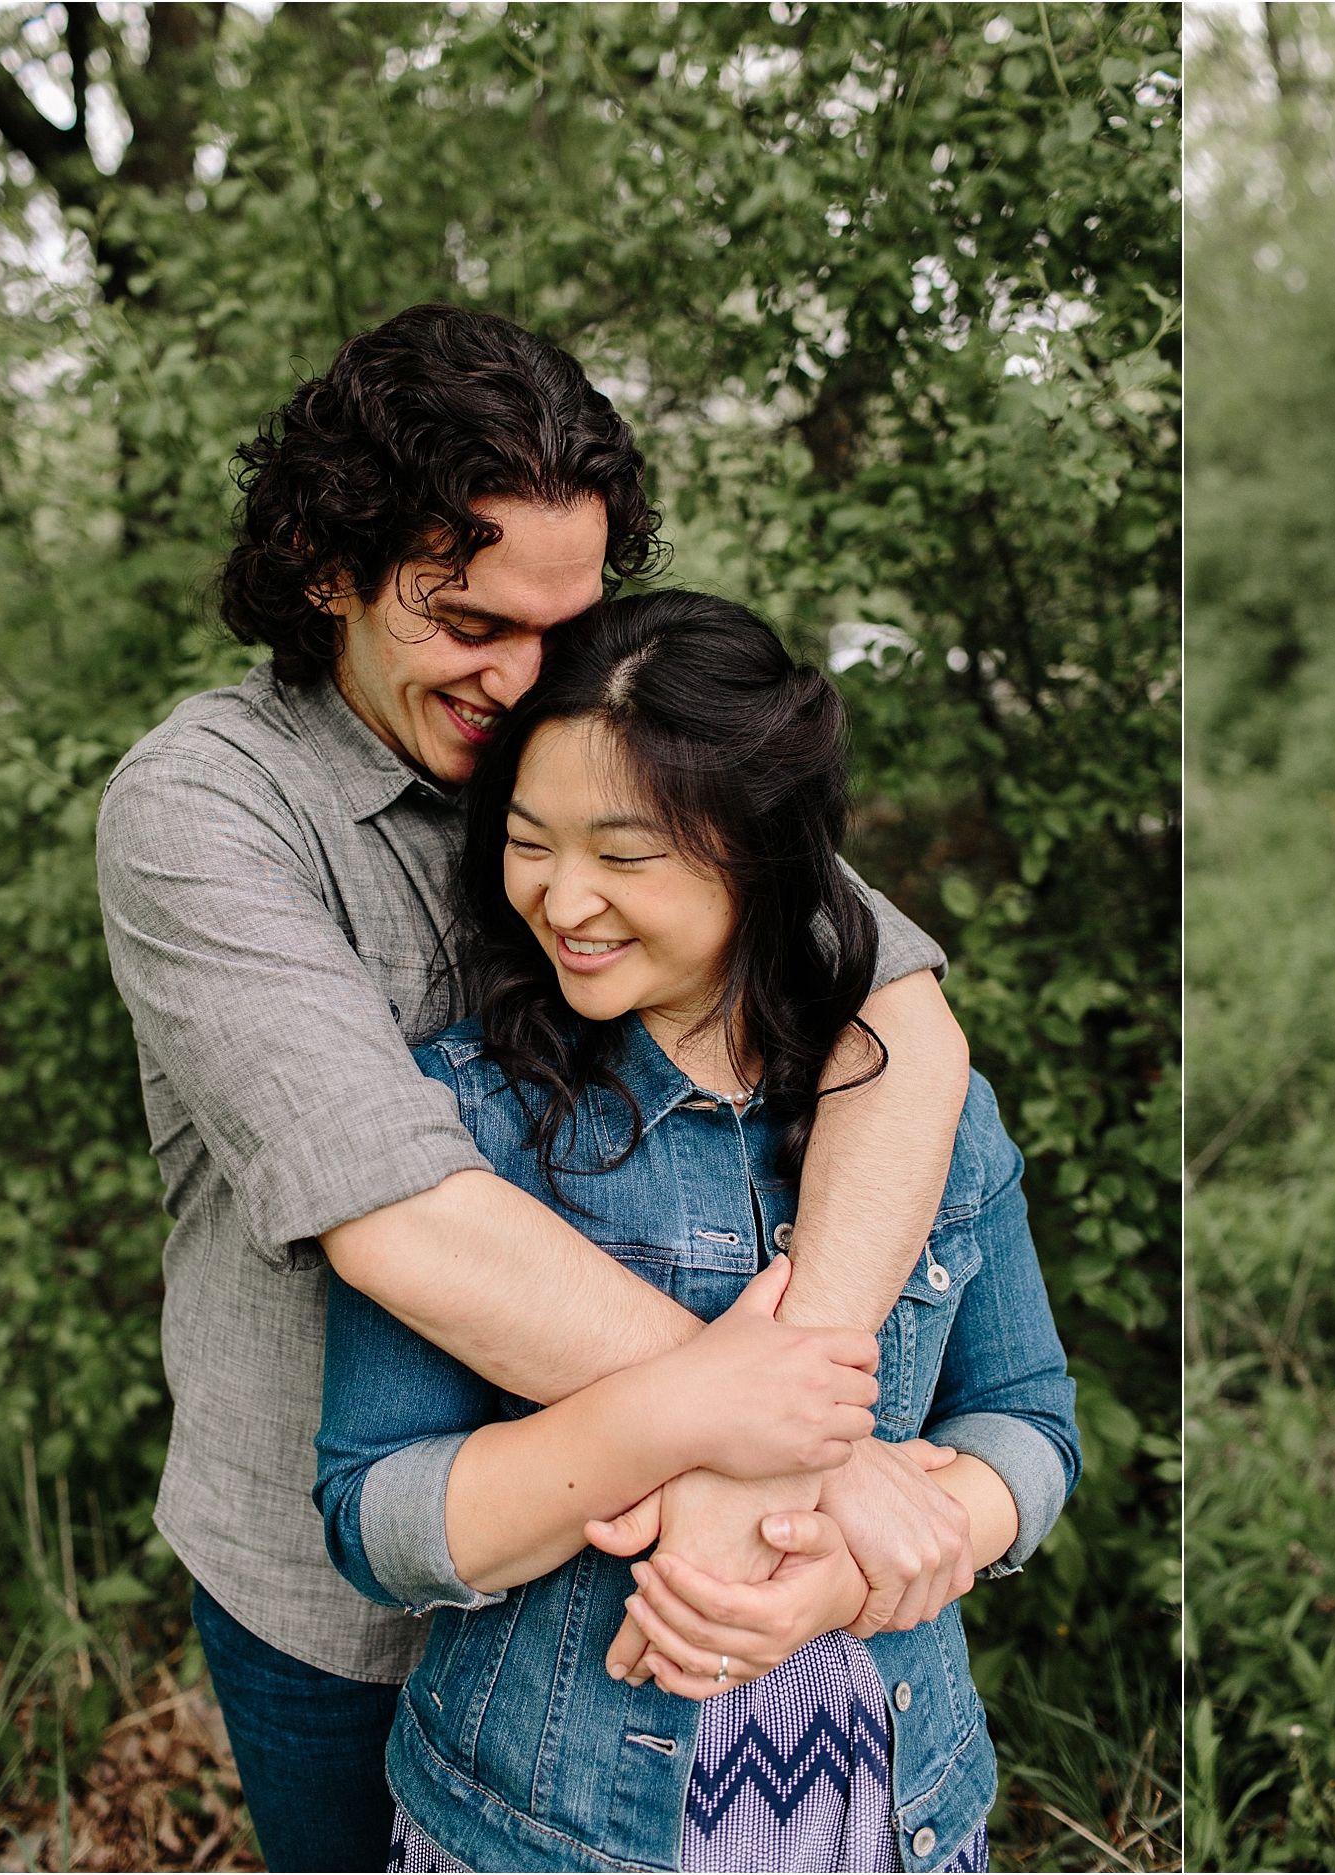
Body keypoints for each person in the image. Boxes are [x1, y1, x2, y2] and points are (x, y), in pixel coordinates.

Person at [96, 306, 980, 1871]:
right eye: (468, 620)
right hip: (350, 1591)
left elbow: (897, 1021)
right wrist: (793, 1441)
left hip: (652, 1587)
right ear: (325, 567)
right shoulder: (204, 806)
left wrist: (764, 1439)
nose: (520, 676)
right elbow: (404, 1219)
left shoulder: (597, 721)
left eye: (560, 621)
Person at [314, 592, 1079, 1872]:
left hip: (892, 1804)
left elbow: (1029, 1419)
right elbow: (379, 1518)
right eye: (527, 844)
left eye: (625, 856)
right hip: (541, 1827)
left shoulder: (930, 1106)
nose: (563, 900)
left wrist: (852, 1566)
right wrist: (679, 1426)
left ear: (762, 856)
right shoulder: (465, 1119)